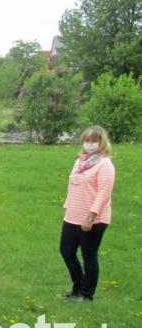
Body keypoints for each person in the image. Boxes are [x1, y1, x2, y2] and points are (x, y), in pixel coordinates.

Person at [60, 126, 115, 301]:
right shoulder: (80, 162)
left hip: (93, 218)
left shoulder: (104, 164)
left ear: (101, 143)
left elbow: (104, 192)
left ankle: (86, 293)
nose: (90, 144)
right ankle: (77, 287)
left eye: (94, 141)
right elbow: (73, 185)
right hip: (72, 215)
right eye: (87, 140)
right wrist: (68, 206)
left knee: (88, 255)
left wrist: (91, 216)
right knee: (66, 251)